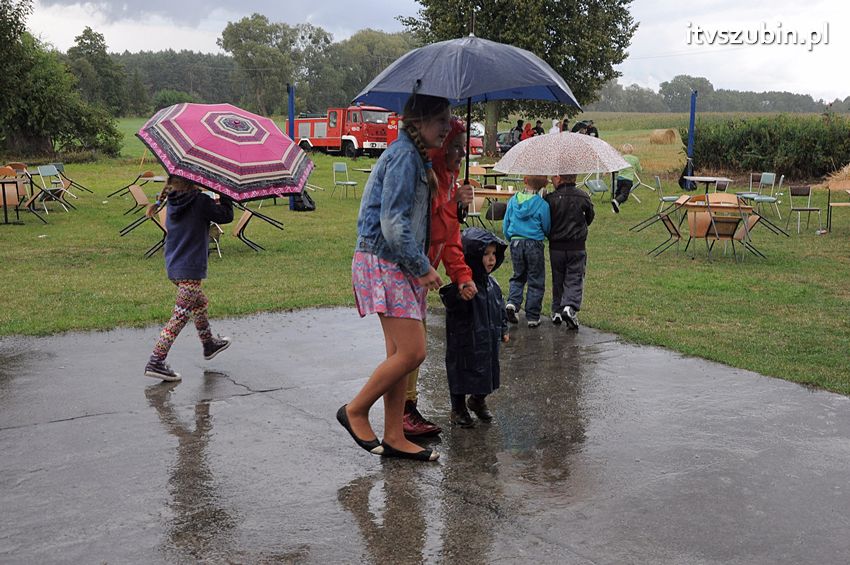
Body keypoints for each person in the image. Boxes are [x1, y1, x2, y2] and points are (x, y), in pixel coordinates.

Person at [339, 93, 451, 462]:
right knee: (414, 351)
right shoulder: (404, 156)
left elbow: (420, 216)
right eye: (441, 121)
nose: (447, 128)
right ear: (417, 123)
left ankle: (394, 436)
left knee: (400, 354)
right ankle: (355, 409)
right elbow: (392, 224)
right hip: (386, 261)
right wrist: (422, 266)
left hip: (397, 263)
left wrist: (457, 197)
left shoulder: (415, 157)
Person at [402, 116, 477, 437]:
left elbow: (450, 239)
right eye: (455, 148)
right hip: (406, 270)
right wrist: (452, 203)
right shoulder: (426, 176)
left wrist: (461, 275)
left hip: (422, 273)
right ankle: (397, 411)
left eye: (463, 148)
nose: (461, 154)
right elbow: (425, 225)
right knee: (409, 350)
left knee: (411, 350)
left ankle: (406, 409)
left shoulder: (448, 180)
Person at [144, 176, 234, 381]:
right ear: (195, 180)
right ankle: (156, 361)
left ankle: (208, 343)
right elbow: (225, 216)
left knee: (200, 302)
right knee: (181, 315)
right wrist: (226, 193)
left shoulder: (173, 199)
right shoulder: (200, 201)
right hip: (190, 268)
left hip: (174, 265)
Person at [439, 228, 509, 428]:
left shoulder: (492, 285)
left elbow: (500, 308)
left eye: (494, 254)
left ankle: (477, 400)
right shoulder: (463, 286)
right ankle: (458, 408)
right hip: (464, 341)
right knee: (461, 373)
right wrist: (460, 294)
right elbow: (449, 299)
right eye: (485, 254)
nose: (491, 259)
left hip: (487, 340)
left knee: (488, 373)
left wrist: (503, 329)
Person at [544, 173, 594, 330]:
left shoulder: (551, 198)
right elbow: (590, 216)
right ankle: (570, 306)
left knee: (557, 278)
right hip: (576, 245)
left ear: (559, 178)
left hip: (556, 246)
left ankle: (557, 309)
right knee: (575, 276)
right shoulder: (583, 196)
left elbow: (546, 218)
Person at [502, 175, 551, 328]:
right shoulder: (542, 204)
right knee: (535, 279)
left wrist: (510, 236)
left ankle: (512, 303)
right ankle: (533, 316)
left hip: (516, 242)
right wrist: (545, 235)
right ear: (543, 184)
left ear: (524, 181)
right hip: (534, 243)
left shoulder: (513, 201)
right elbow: (547, 226)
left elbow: (506, 223)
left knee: (518, 276)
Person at [612, 143, 642, 213]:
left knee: (618, 193)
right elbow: (639, 170)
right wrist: (639, 168)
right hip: (628, 180)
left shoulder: (621, 158)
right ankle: (616, 201)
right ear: (632, 150)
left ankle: (615, 208)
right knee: (624, 195)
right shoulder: (635, 159)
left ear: (623, 150)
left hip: (619, 179)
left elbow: (617, 167)